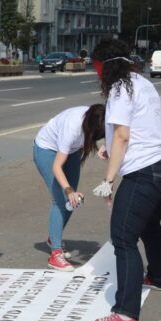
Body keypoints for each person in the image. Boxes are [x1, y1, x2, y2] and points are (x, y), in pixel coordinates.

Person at [86, 40, 161, 321]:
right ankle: (158, 277)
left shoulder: (118, 88)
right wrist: (111, 154)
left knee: (123, 239)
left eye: (96, 68)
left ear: (104, 66)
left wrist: (108, 180)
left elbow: (123, 136)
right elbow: (134, 132)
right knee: (150, 226)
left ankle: (125, 311)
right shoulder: (142, 83)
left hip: (143, 173)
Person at [33, 104, 106, 271]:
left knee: (72, 202)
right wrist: (68, 189)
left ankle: (53, 238)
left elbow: (115, 134)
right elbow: (56, 166)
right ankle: (55, 255)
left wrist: (107, 147)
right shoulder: (72, 129)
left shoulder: (101, 117)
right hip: (47, 149)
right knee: (61, 200)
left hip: (72, 151)